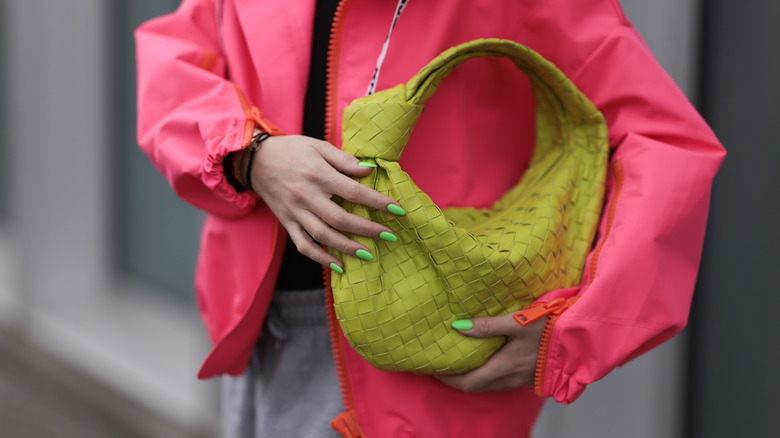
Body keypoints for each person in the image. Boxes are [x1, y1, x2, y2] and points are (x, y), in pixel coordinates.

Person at [135, 0, 725, 436]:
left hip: (430, 349)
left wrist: (574, 337)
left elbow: (662, 140)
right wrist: (250, 154)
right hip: (267, 331)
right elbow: (176, 60)